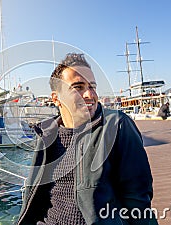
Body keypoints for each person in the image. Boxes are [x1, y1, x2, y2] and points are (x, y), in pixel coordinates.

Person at [17, 53, 157, 225]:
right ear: (56, 98)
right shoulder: (46, 135)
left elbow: (138, 200)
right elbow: (36, 198)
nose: (90, 94)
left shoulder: (117, 126)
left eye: (92, 86)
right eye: (78, 87)